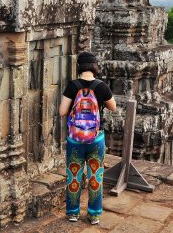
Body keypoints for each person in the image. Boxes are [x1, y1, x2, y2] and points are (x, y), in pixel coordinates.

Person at [58, 51, 116, 225]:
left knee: (73, 175)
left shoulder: (72, 86)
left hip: (75, 139)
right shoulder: (101, 86)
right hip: (96, 138)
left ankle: (73, 213)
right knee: (95, 176)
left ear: (79, 66)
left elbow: (62, 112)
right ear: (94, 66)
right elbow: (113, 107)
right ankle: (94, 214)